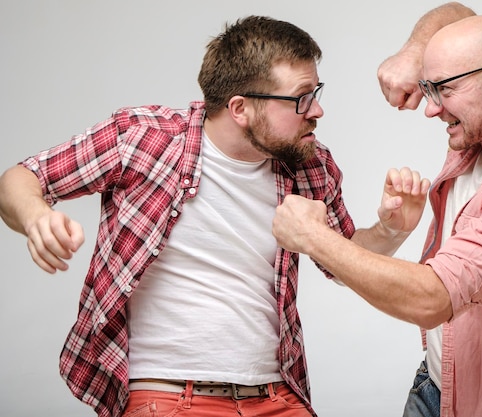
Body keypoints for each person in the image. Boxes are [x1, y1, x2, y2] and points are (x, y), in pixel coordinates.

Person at [0, 16, 436, 417]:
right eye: (301, 99)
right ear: (240, 107)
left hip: (277, 396)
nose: (317, 111)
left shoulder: (309, 164)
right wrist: (36, 216)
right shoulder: (144, 139)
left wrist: (390, 229)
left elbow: (342, 261)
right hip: (169, 397)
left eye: (316, 94)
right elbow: (21, 179)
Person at [272, 6, 482, 417]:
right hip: (436, 386)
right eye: (429, 89)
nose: (430, 108)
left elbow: (433, 298)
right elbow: (459, 14)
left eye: (442, 90)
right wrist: (414, 52)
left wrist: (314, 237)